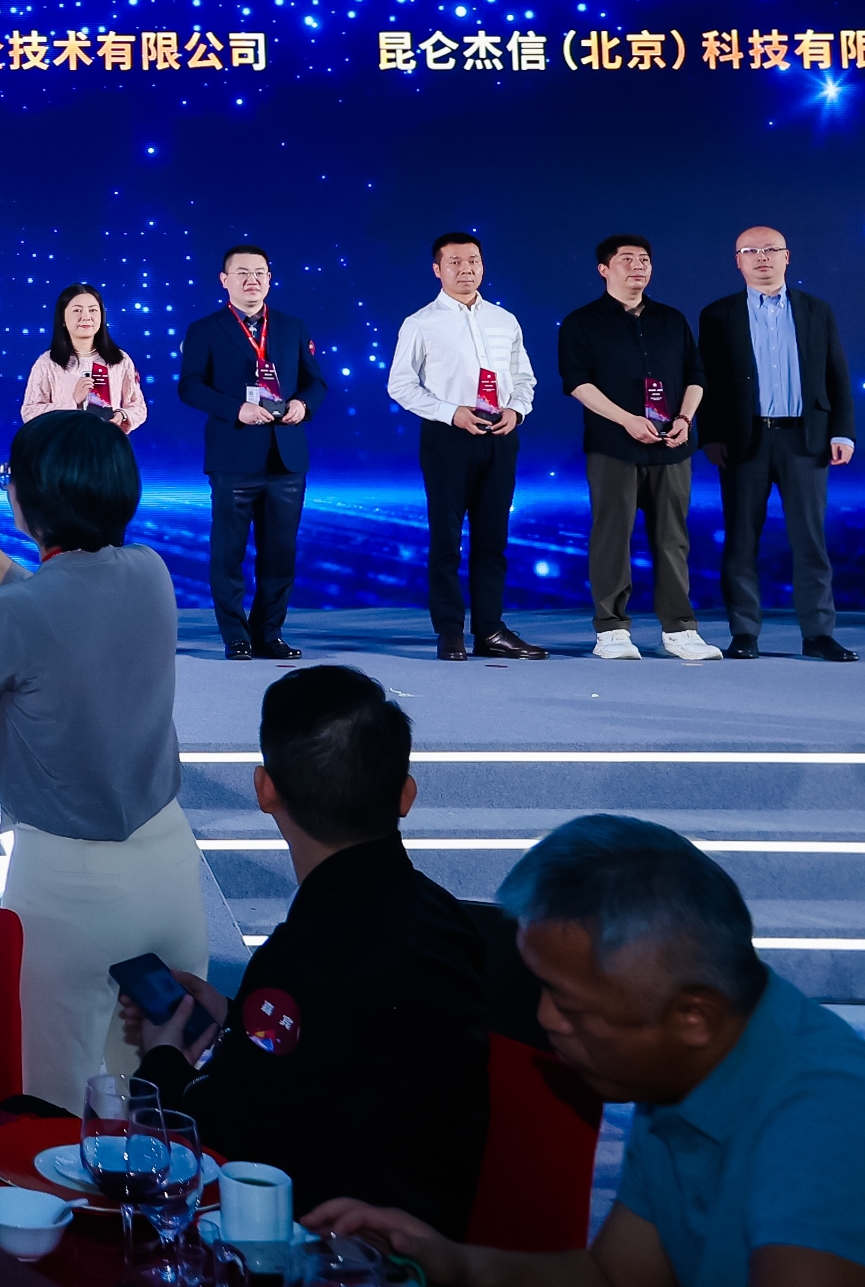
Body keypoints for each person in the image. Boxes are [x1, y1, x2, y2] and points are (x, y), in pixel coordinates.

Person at [308, 814, 865, 1287]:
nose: (544, 1021)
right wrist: (450, 1260)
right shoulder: (692, 1074)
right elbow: (615, 1274)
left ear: (692, 1016)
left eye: (572, 1007)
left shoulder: (837, 1134)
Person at [119, 667, 488, 1235]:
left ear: (264, 790)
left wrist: (162, 1059)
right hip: (436, 1231)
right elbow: (341, 1048)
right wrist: (235, 1018)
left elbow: (213, 1138)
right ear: (406, 794)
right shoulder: (451, 921)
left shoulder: (299, 957)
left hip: (326, 1247)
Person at [0, 410, 204, 1108]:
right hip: (168, 861)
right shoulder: (151, 571)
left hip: (67, 887)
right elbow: (61, 608)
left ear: (33, 498)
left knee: (52, 1105)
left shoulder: (21, 614)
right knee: (160, 1093)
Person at [699, 228, 861, 662]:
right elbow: (707, 382)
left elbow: (837, 374)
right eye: (751, 251)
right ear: (738, 260)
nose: (762, 257)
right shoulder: (717, 314)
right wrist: (710, 435)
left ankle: (818, 634)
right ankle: (744, 633)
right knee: (740, 541)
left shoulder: (816, 310)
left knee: (810, 541)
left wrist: (842, 431)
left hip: (805, 440)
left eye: (771, 250)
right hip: (743, 442)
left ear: (787, 257)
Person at [388, 233, 548, 663]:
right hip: (448, 437)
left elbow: (525, 378)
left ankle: (490, 629)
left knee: (493, 539)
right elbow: (400, 385)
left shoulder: (504, 320)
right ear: (437, 270)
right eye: (455, 262)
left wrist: (517, 410)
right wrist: (450, 412)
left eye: (473, 260)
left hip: (500, 435)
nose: (466, 269)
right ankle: (449, 631)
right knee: (446, 539)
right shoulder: (420, 323)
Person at [557, 235, 713, 665]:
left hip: (672, 447)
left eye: (644, 259)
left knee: (673, 539)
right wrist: (626, 419)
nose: (638, 266)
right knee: (612, 537)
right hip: (614, 447)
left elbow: (696, 375)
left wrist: (684, 420)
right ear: (604, 269)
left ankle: (679, 630)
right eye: (626, 259)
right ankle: (611, 629)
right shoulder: (582, 322)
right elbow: (577, 383)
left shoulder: (672, 319)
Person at [175, 245, 328, 661]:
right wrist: (235, 409)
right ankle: (235, 636)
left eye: (260, 272)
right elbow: (189, 386)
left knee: (280, 553)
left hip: (286, 456)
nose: (252, 280)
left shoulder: (292, 326)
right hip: (233, 454)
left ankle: (269, 633)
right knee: (228, 553)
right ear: (224, 280)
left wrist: (303, 405)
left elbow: (316, 382)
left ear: (270, 279)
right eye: (242, 273)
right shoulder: (205, 329)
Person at [24, 283, 150, 432]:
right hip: (63, 443)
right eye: (77, 310)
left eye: (93, 310)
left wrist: (122, 415)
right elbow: (30, 412)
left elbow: (138, 407)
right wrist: (72, 402)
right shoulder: (48, 362)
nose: (86, 317)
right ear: (63, 318)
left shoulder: (120, 359)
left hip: (106, 442)